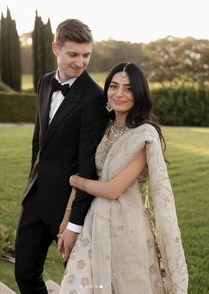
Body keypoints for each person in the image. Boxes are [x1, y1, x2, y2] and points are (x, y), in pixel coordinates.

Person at [58, 62, 188, 293]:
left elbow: (112, 190)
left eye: (128, 89)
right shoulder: (103, 128)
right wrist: (69, 221)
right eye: (114, 86)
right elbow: (86, 171)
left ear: (139, 94)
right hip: (92, 221)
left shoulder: (144, 136)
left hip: (126, 225)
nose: (119, 94)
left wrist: (75, 181)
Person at [14, 19, 109, 294]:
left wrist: (75, 222)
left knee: (77, 284)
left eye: (86, 55)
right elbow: (39, 140)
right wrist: (31, 184)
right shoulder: (45, 83)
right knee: (25, 273)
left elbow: (88, 164)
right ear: (56, 48)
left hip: (67, 207)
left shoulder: (94, 98)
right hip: (34, 199)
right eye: (73, 54)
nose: (81, 62)